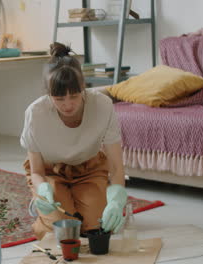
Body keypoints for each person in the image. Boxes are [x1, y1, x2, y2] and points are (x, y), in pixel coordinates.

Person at [20, 42, 127, 239]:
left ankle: (81, 204)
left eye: (75, 96)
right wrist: (42, 188)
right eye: (59, 99)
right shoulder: (35, 113)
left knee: (100, 225)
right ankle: (40, 206)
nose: (68, 105)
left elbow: (117, 167)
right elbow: (36, 171)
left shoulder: (103, 106)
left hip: (89, 168)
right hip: (51, 173)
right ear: (48, 93)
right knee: (62, 231)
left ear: (83, 87)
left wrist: (116, 200)